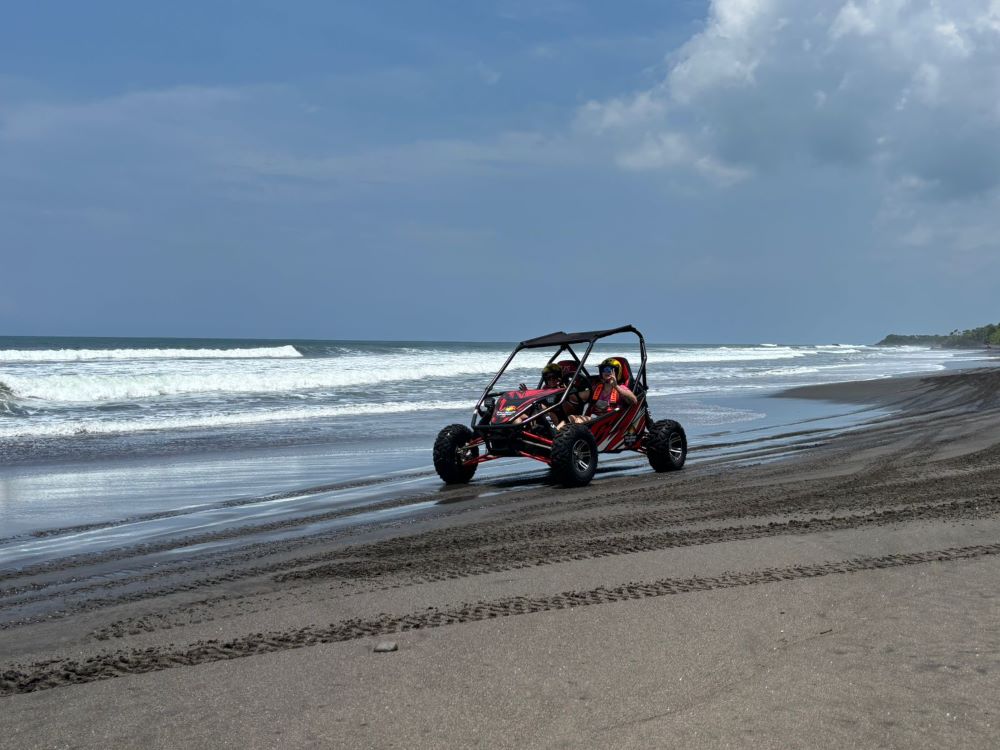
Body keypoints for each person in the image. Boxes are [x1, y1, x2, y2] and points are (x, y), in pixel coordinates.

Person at [568, 357, 636, 424]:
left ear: (617, 372)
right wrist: (566, 390)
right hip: (594, 420)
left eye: (610, 370)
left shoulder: (621, 388)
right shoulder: (596, 388)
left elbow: (634, 401)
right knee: (569, 418)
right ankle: (557, 433)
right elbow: (576, 397)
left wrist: (616, 387)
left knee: (578, 421)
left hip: (610, 422)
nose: (607, 372)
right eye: (604, 370)